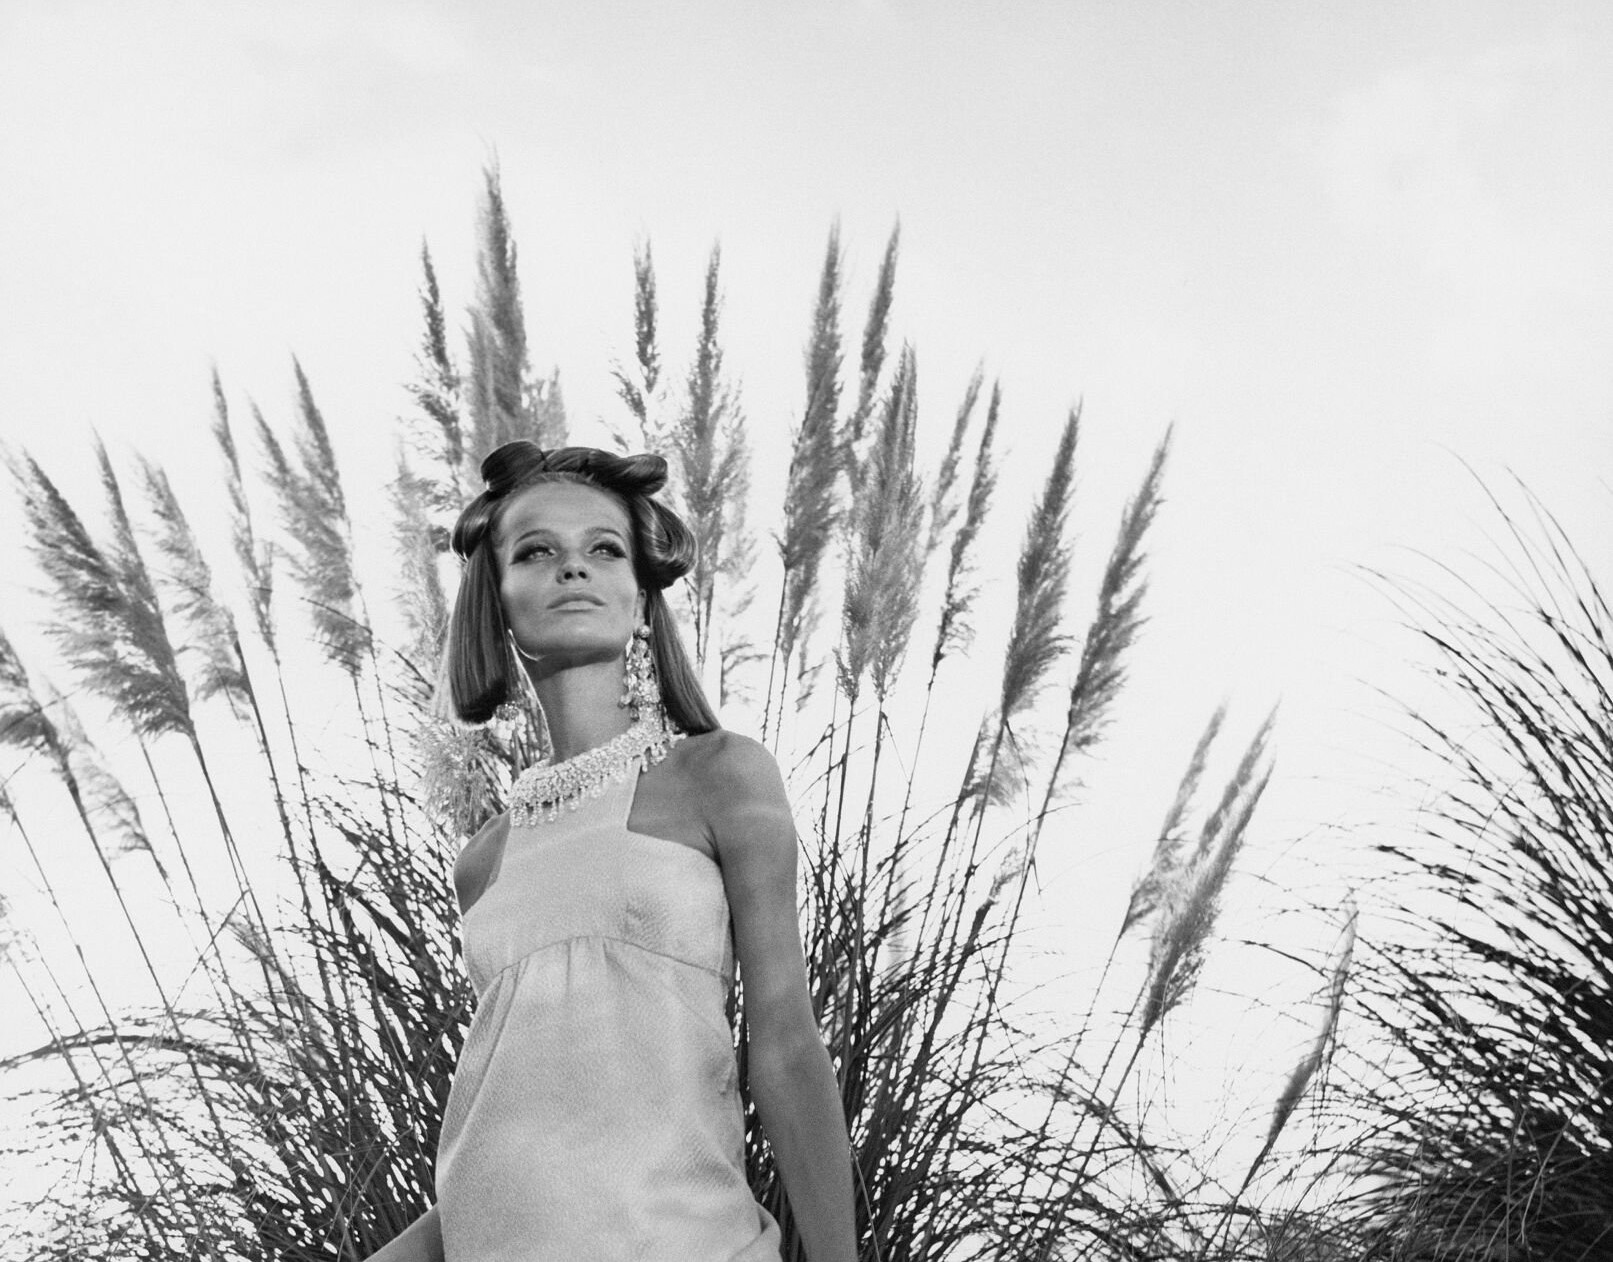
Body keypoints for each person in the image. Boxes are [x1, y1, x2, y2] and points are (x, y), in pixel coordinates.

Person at [370, 443, 856, 1262]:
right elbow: (510, 1139)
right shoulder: (483, 862)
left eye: (604, 548)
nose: (573, 567)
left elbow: (784, 1044)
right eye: (536, 552)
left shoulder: (719, 775)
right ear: (496, 603)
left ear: (641, 602)